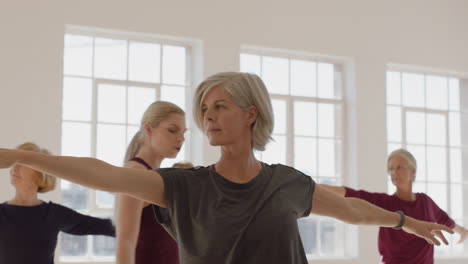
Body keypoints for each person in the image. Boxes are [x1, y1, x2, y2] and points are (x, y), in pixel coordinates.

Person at [0, 72, 454, 264]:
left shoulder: (286, 183)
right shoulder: (184, 187)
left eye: (220, 105)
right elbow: (104, 173)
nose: (209, 115)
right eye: (205, 108)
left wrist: (406, 220)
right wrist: (22, 156)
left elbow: (351, 209)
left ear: (251, 114)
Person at [320, 148, 468, 264]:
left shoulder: (426, 202)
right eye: (391, 169)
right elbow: (349, 193)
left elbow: (447, 221)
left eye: (399, 167)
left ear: (413, 171)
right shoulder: (385, 203)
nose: (394, 173)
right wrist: (310, 186)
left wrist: (463, 232)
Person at [0, 142, 115, 264]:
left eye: (22, 163)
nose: (14, 168)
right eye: (13, 163)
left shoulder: (53, 214)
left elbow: (106, 227)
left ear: (40, 173)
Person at [115, 101, 185, 264]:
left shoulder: (158, 174)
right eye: (172, 130)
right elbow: (125, 242)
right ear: (148, 129)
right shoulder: (136, 172)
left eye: (183, 132)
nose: (181, 138)